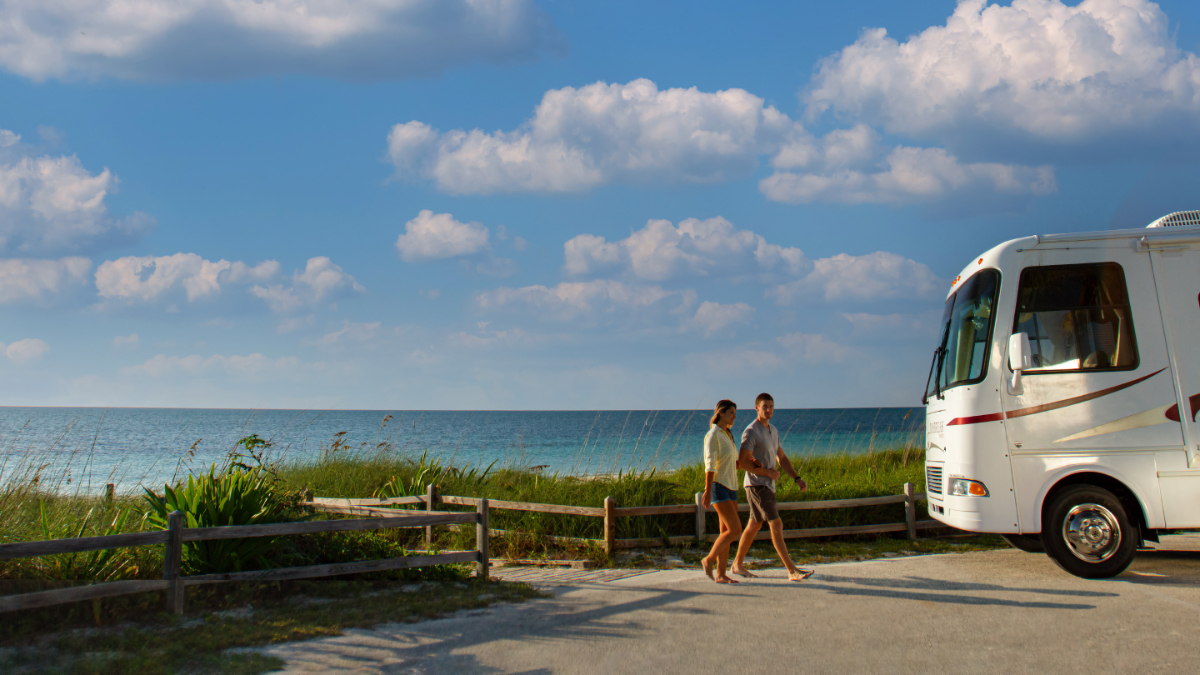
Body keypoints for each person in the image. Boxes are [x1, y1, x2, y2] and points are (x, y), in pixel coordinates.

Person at [730, 393, 813, 582]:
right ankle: (791, 570)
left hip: (766, 484)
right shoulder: (751, 431)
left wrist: (796, 478)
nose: (768, 410)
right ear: (756, 408)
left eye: (771, 407)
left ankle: (737, 565)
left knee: (755, 524)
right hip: (757, 485)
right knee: (776, 523)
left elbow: (781, 457)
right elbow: (743, 462)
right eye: (765, 406)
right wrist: (767, 473)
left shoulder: (773, 430)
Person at [700, 399, 745, 584]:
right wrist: (708, 491)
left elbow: (735, 463)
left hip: (732, 487)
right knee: (735, 529)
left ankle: (720, 574)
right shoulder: (713, 435)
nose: (734, 416)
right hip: (719, 487)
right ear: (721, 413)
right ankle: (708, 559)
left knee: (725, 531)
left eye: (735, 413)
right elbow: (710, 466)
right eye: (731, 413)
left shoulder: (728, 434)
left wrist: (758, 464)